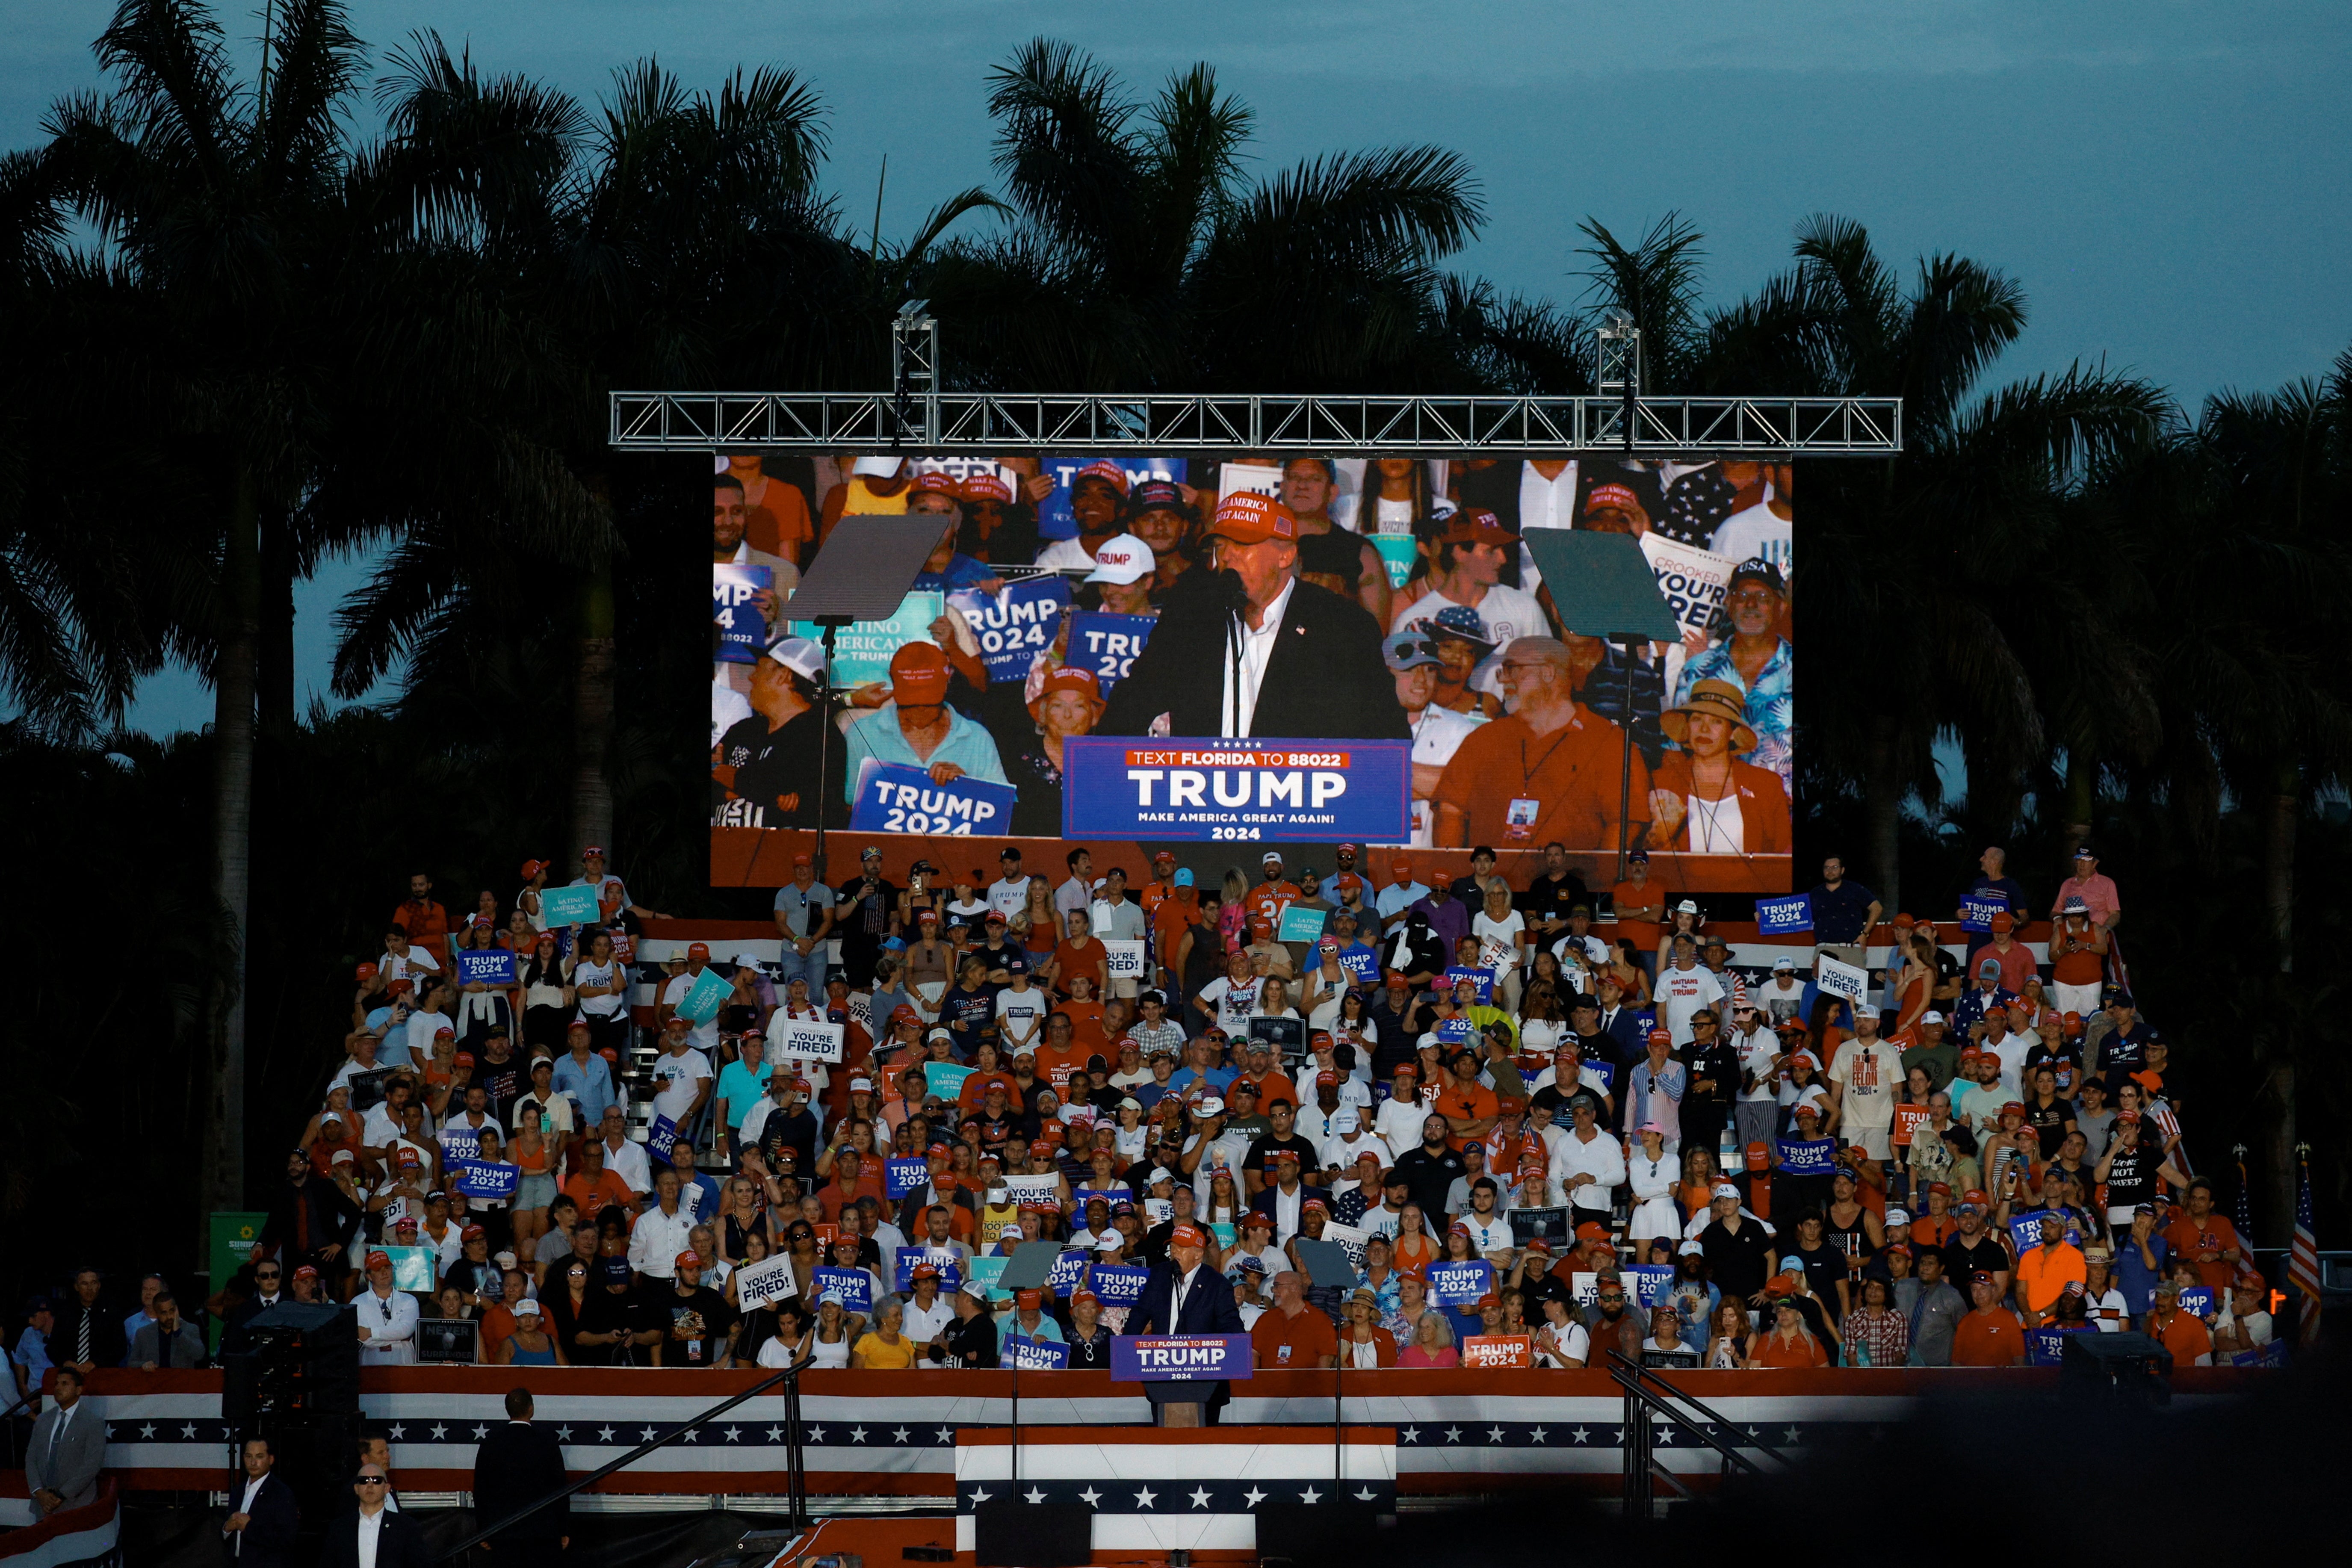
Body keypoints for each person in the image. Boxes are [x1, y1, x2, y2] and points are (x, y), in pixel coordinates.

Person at [1097, 491, 1409, 741]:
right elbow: (1128, 710)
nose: (1227, 556)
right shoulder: (1189, 619)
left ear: (1286, 554)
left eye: (1242, 545)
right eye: (1221, 546)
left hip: (1298, 810)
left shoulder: (1342, 626)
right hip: (1198, 806)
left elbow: (1384, 738)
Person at [1431, 638, 1648, 850]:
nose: (1503, 680)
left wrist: (1599, 882)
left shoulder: (1610, 742)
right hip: (1490, 883)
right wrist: (1454, 879)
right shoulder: (1483, 738)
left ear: (1548, 673)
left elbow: (1625, 825)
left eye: (1512, 669)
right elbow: (1450, 812)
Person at [840, 641, 1011, 805]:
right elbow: (848, 808)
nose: (920, 710)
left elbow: (1004, 811)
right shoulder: (862, 735)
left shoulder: (977, 738)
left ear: (946, 684)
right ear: (894, 686)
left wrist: (968, 787)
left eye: (929, 702)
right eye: (911, 702)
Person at [1674, 558, 1791, 785]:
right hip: (1713, 805)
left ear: (1781, 607)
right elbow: (1675, 750)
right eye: (1742, 596)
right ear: (1729, 603)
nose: (1751, 605)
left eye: (1764, 598)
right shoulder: (1698, 669)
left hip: (1784, 810)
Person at [1646, 679, 1791, 854]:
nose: (1704, 729)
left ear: (1733, 733)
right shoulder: (1661, 782)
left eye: (1717, 721)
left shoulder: (1766, 785)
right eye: (1697, 719)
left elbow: (1783, 856)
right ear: (1688, 727)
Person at [471, 1388, 570, 1563]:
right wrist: (563, 1529)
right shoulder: (547, 1442)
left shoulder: (490, 1443)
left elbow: (480, 1489)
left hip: (502, 1532)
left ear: (508, 1410)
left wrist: (484, 1530)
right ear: (531, 1409)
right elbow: (560, 1488)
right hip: (542, 1534)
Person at [26, 1364, 104, 1516]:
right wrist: (39, 1492)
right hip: (42, 1505)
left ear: (79, 1390)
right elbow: (31, 1458)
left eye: (65, 1384)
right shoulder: (43, 1420)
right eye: (56, 1383)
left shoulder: (93, 1423)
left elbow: (92, 1465)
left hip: (78, 1505)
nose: (58, 1388)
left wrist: (62, 1495)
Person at [319, 1463, 432, 1568]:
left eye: (377, 1480)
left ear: (387, 1488)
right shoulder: (340, 1528)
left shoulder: (405, 1527)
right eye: (363, 1480)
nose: (370, 1485)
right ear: (356, 1489)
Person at [221, 1434, 299, 1567]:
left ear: (271, 1459)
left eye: (259, 1457)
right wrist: (227, 1528)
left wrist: (249, 1527)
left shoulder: (281, 1494)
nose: (253, 1463)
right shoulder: (237, 1491)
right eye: (249, 1456)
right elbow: (227, 1540)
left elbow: (287, 1540)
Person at [130, 1291, 206, 1369]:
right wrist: (143, 1365)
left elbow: (199, 1355)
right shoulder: (143, 1333)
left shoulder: (190, 1329)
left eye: (172, 1311)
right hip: (153, 1380)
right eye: (164, 1313)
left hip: (181, 1380)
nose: (169, 1317)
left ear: (176, 1309)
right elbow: (132, 1363)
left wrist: (178, 1333)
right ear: (156, 1313)